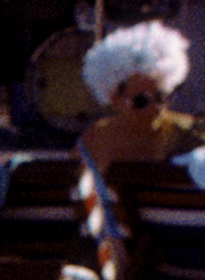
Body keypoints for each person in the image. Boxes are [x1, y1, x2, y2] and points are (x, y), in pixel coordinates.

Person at [75, 19, 198, 169]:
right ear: (114, 98)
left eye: (161, 98)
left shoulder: (188, 135)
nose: (156, 108)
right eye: (142, 101)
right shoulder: (96, 139)